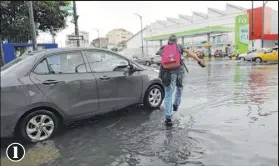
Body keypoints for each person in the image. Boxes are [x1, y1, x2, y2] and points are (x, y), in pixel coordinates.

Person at [156, 34, 205, 126]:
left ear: (168, 40)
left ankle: (168, 117)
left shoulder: (163, 48)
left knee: (168, 94)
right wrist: (199, 60)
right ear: (177, 41)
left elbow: (159, 55)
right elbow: (190, 53)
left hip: (167, 74)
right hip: (179, 71)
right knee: (180, 87)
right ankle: (176, 104)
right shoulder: (179, 46)